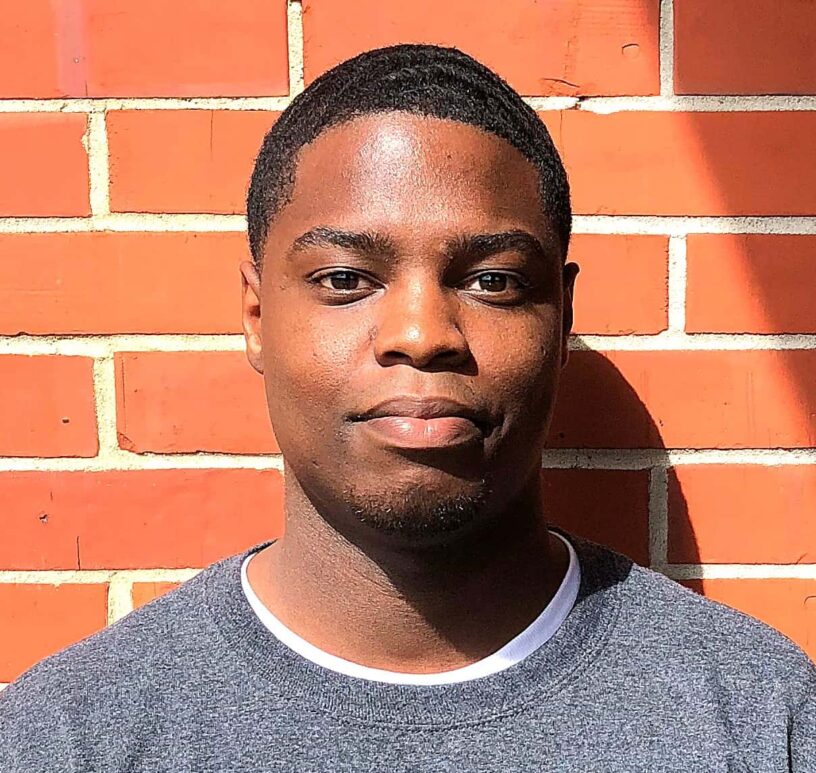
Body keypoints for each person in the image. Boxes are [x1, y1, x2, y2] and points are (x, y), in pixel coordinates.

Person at [1, 44, 813, 772]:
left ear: (562, 318)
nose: (422, 335)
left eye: (493, 280)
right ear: (256, 316)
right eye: (345, 279)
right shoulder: (67, 738)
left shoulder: (762, 718)